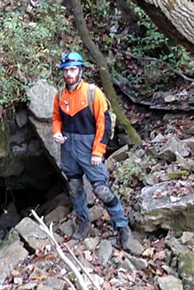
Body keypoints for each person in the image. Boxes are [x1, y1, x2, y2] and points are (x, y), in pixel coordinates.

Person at [52, 51, 132, 248]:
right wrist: (56, 132)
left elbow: (103, 124)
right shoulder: (60, 95)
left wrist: (98, 151)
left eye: (73, 69)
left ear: (80, 70)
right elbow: (56, 118)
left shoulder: (92, 93)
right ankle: (83, 223)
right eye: (66, 70)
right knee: (74, 186)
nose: (69, 74)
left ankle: (122, 227)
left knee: (101, 189)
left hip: (89, 147)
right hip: (68, 146)